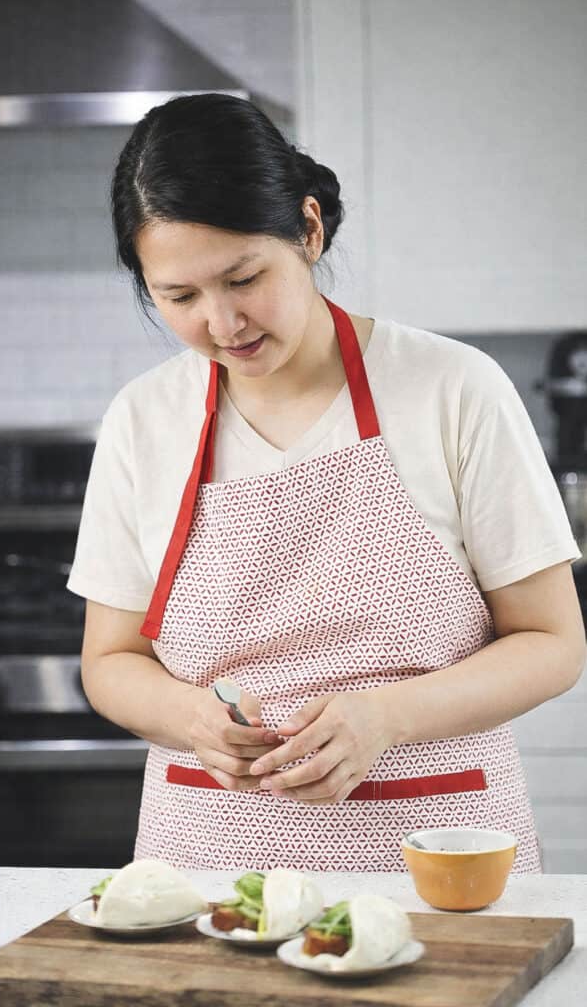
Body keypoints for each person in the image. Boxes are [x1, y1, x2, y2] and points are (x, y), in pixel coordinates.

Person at [66, 93, 585, 873]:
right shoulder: (144, 419)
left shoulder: (450, 388)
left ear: (307, 230)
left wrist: (386, 717)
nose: (222, 323)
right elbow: (107, 662)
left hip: (436, 861)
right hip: (206, 867)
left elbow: (552, 643)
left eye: (244, 278)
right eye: (178, 297)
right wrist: (187, 716)